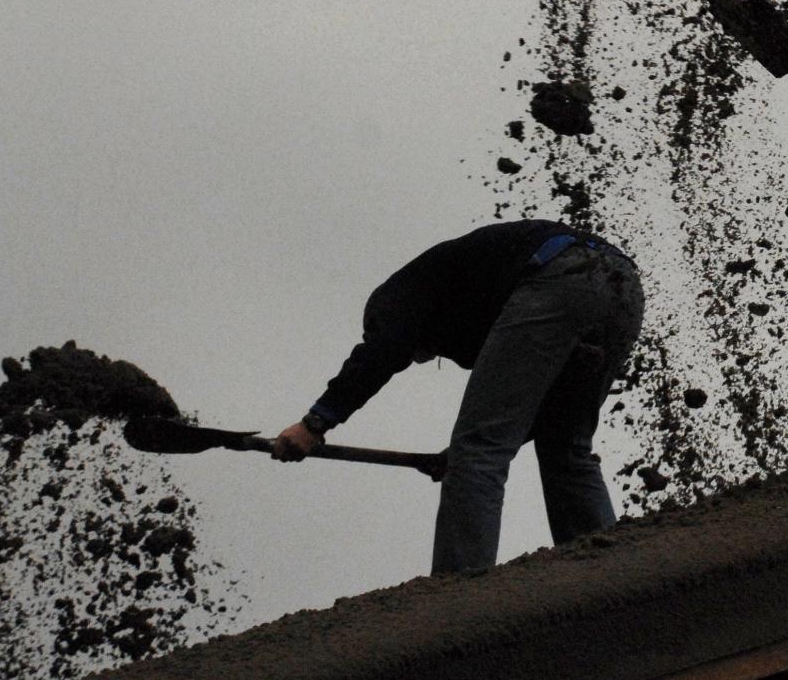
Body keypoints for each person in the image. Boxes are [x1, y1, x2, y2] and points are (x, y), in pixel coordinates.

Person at [271, 219, 644, 574]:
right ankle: (609, 575)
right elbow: (523, 410)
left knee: (478, 451)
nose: (420, 357)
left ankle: (460, 593)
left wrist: (315, 423)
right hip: (621, 285)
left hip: (560, 273)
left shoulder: (398, 299)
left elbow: (381, 354)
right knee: (565, 447)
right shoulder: (474, 305)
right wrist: (456, 458)